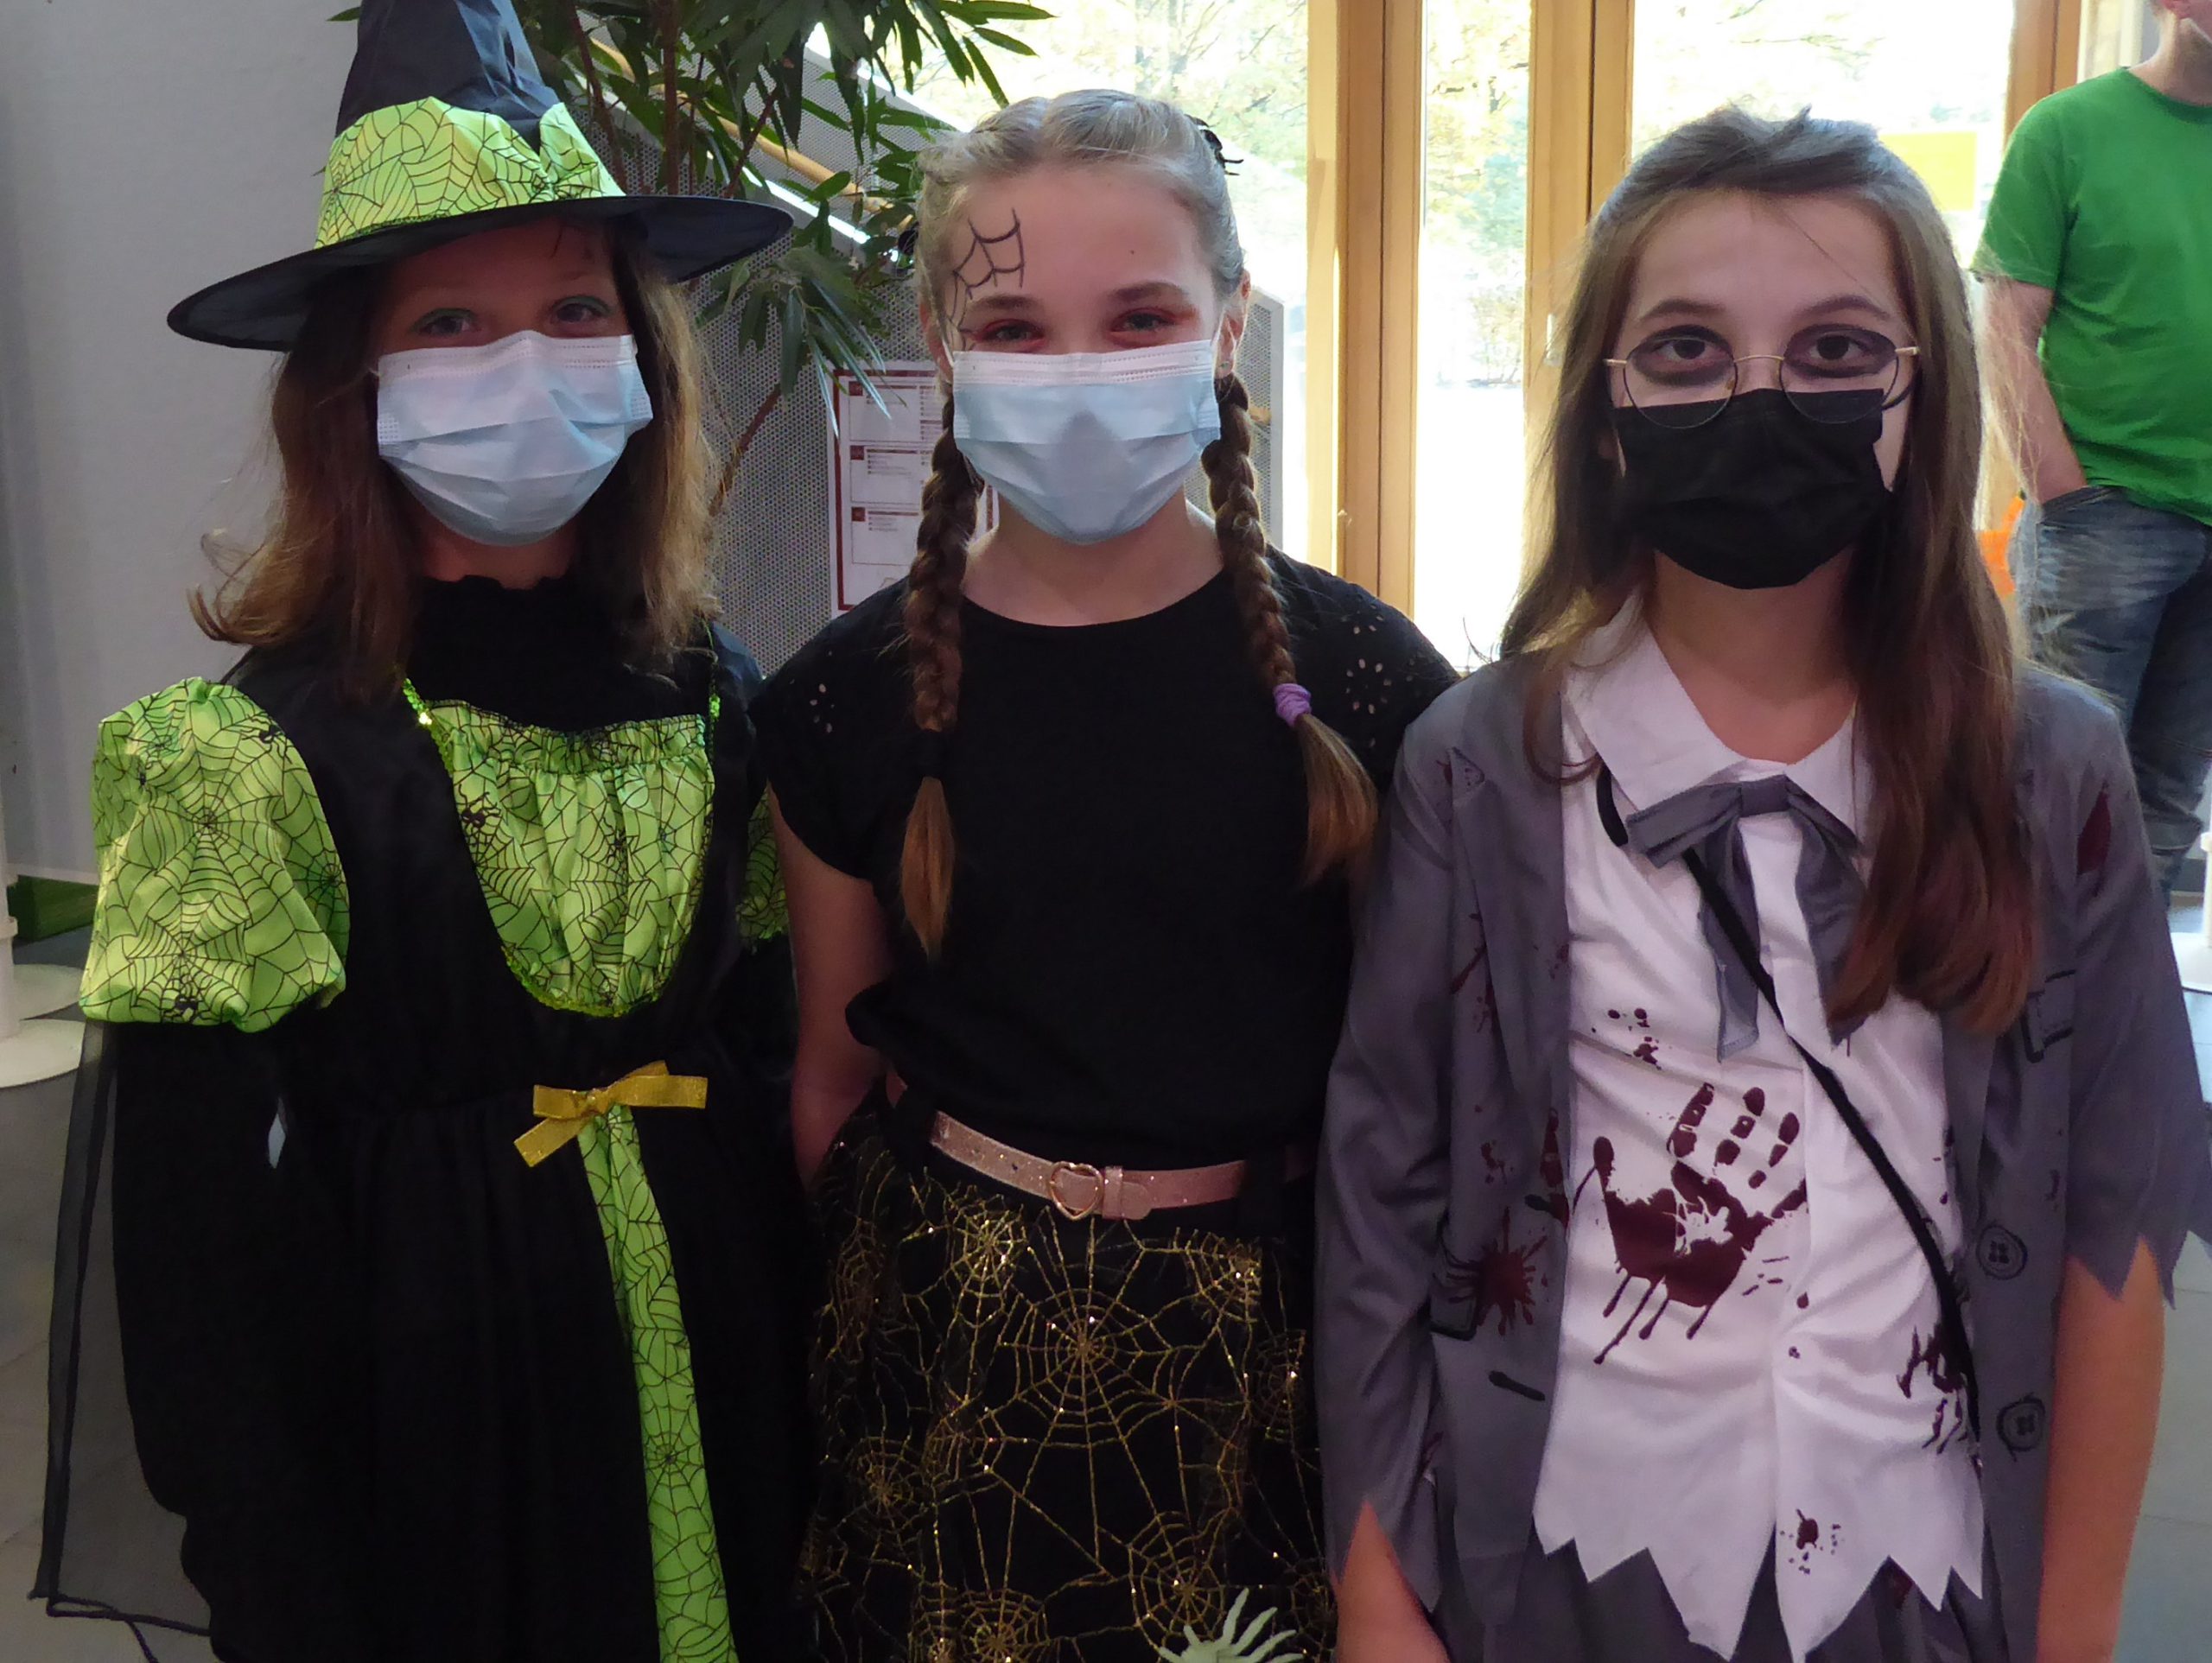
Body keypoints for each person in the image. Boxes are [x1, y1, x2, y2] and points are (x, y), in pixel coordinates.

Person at [1319, 108, 2209, 1663]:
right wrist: (1377, 1601)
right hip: (1565, 1572)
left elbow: (2113, 1239)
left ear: (1923, 394)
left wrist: (2070, 1632)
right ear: (1604, 405)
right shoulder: (1482, 765)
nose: (1758, 397)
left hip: (1919, 1578)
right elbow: (1379, 1205)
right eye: (1685, 351)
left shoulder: (2051, 773)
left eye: (1836, 351)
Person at [35, 3, 811, 1659]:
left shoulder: (714, 699)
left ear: (640, 357)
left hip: (724, 1360)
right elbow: (190, 1260)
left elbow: (767, 1048)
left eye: (574, 311)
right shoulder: (247, 761)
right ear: (357, 384)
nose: (522, 362)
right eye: (451, 321)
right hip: (433, 1419)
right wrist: (276, 1578)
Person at [751, 88, 1457, 1663]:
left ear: (1228, 323)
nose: (1077, 371)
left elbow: (1420, 1102)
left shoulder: (1368, 686)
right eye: (1016, 327)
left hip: (1278, 1349)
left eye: (1139, 317)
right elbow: (828, 1080)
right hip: (942, 1349)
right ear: (943, 346)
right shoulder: (843, 699)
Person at [1978, 0, 2212, 904]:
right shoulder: (2067, 130)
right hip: (2103, 516)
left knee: (2167, 799)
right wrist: (2066, 499)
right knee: (2054, 795)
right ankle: (2030, 989)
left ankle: (2124, 983)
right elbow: (2004, 329)